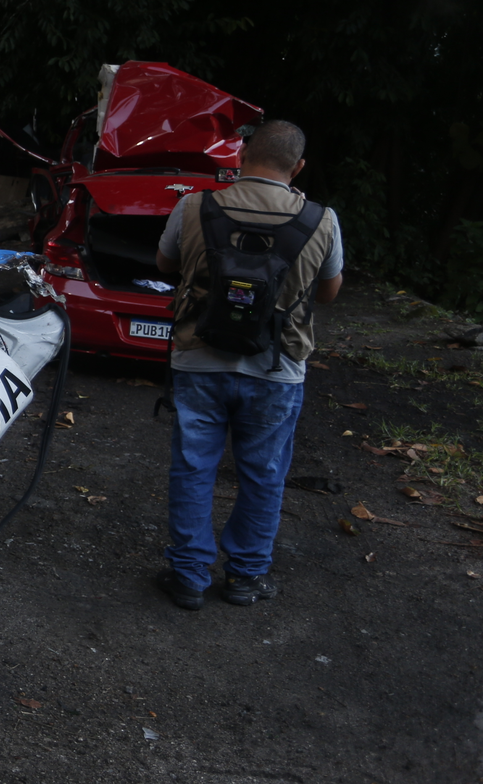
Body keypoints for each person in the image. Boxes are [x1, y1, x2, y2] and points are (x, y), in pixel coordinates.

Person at [152, 119, 343, 609]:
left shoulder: (194, 204)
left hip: (199, 359)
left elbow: (165, 264)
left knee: (194, 468)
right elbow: (329, 291)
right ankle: (245, 577)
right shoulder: (322, 219)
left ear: (240, 155)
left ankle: (189, 576)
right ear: (298, 167)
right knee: (264, 473)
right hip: (277, 368)